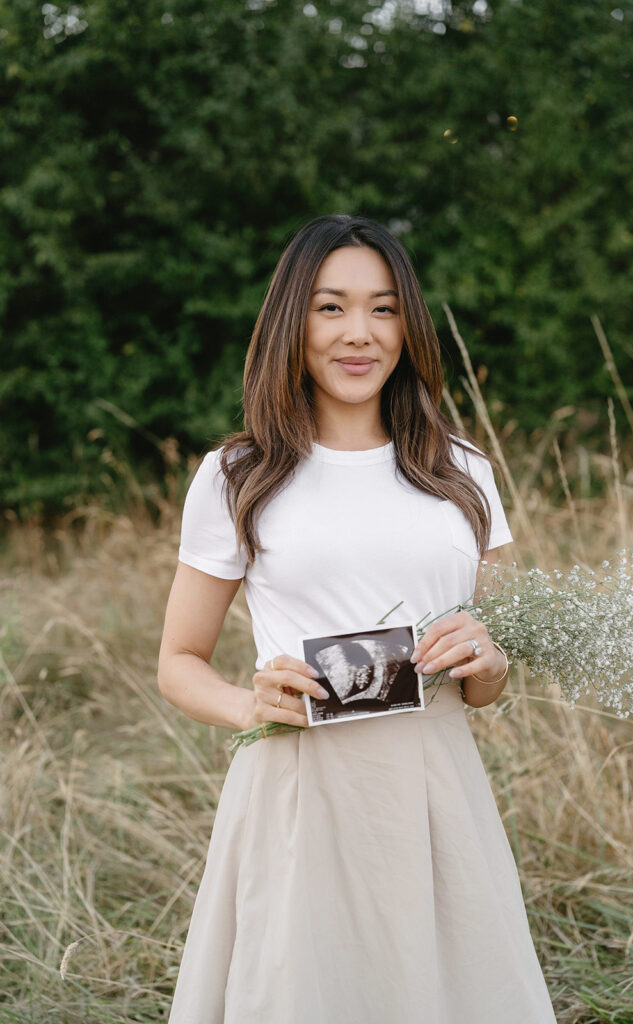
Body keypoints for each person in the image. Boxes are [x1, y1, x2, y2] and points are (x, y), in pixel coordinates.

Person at [157, 214, 557, 1023]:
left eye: (382, 309)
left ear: (406, 326)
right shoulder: (237, 474)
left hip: (434, 788)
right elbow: (179, 661)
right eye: (329, 307)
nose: (359, 334)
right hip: (298, 789)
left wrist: (491, 658)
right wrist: (248, 703)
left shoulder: (462, 471)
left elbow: (486, 688)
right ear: (290, 323)